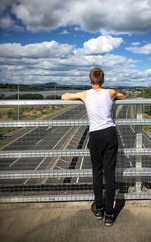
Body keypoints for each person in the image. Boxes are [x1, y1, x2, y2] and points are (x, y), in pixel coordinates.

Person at [61, 67, 126, 226]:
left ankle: (98, 209)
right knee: (109, 174)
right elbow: (123, 96)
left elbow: (64, 97)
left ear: (90, 80)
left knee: (97, 172)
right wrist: (117, 95)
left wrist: (75, 96)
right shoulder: (110, 92)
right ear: (103, 80)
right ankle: (110, 215)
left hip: (95, 136)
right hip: (110, 134)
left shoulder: (85, 94)